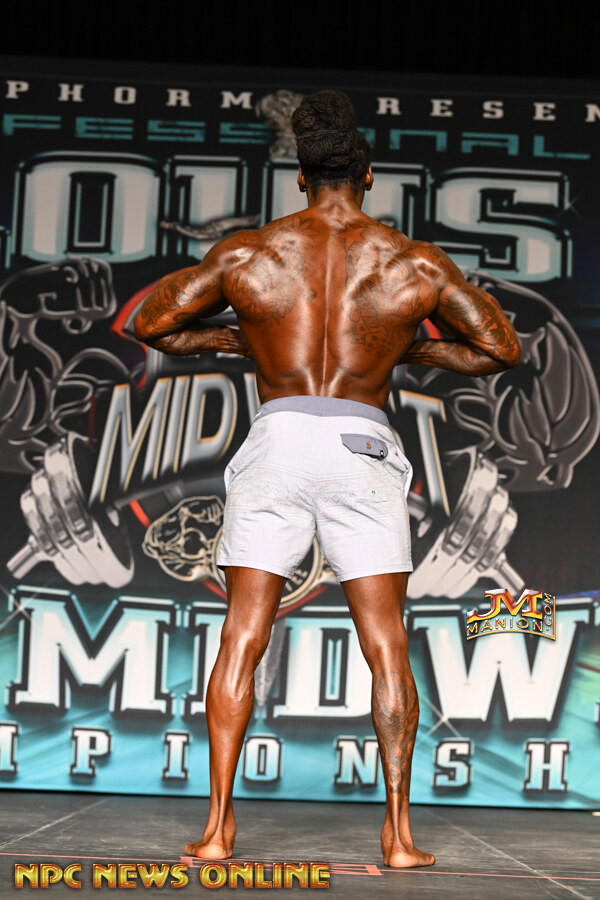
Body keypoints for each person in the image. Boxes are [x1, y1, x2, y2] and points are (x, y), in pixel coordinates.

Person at [134, 89, 520, 869]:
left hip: (278, 439)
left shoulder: (250, 254)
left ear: (302, 179)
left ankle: (217, 831)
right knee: (385, 642)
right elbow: (499, 347)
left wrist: (240, 340)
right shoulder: (413, 261)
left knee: (243, 632)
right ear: (369, 177)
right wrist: (410, 349)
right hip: (361, 445)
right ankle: (400, 837)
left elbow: (154, 324)